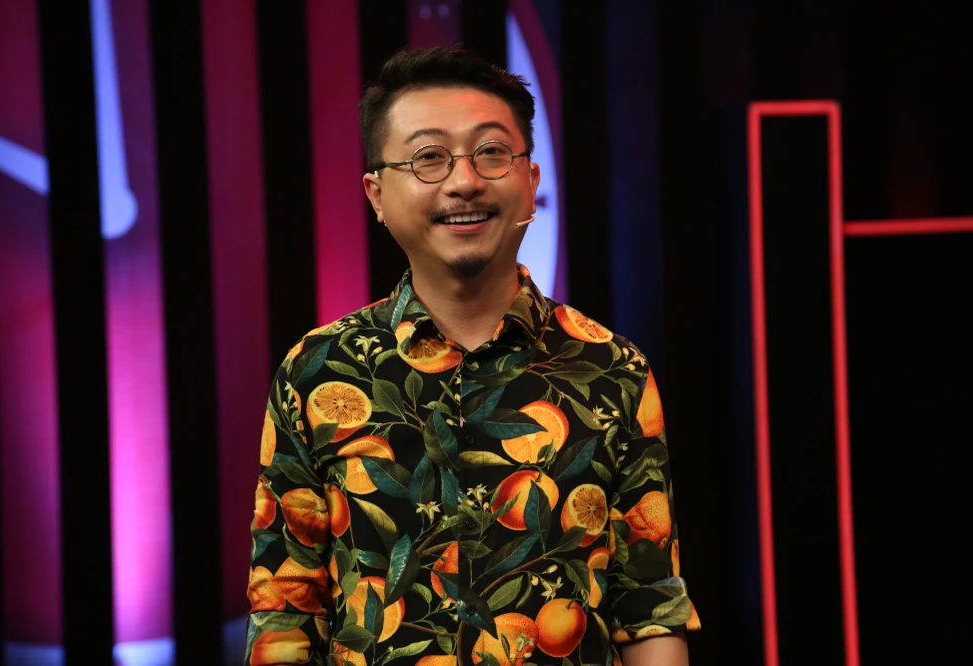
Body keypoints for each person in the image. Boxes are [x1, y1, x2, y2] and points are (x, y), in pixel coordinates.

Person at [245, 46, 698, 666]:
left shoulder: (611, 369)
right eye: (428, 157)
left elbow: (649, 607)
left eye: (491, 152)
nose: (464, 182)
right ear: (377, 195)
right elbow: (286, 606)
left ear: (530, 182)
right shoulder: (320, 370)